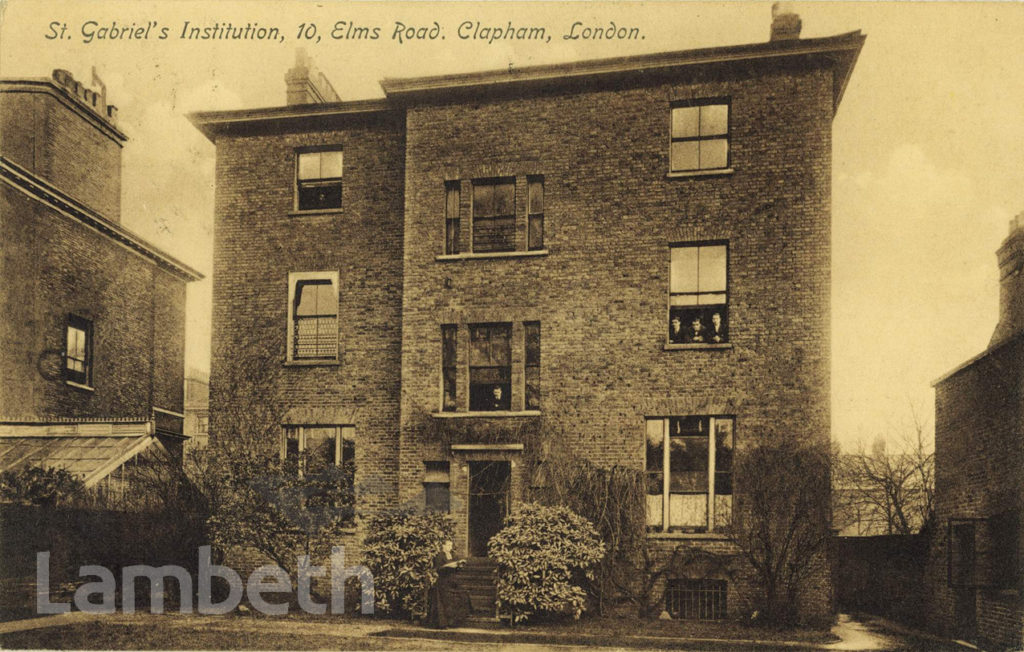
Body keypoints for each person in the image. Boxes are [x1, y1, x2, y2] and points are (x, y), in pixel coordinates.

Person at [425, 539, 471, 628]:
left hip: (453, 581)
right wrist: (448, 566)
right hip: (443, 581)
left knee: (462, 595)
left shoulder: (453, 555)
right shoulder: (439, 556)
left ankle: (454, 622)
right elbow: (438, 569)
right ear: (443, 546)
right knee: (446, 600)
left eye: (451, 545)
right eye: (448, 545)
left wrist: (459, 565)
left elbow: (457, 569)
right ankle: (444, 623)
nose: (450, 547)